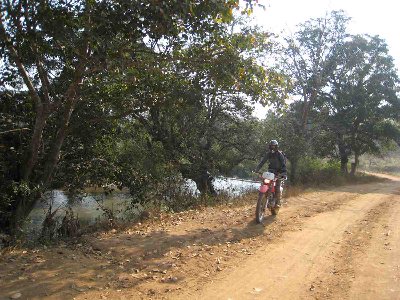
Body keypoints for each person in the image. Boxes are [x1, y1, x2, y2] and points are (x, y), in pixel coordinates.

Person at [254, 139, 287, 207]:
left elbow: (283, 164)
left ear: (276, 146)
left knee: (277, 187)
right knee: (264, 182)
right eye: (271, 146)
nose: (273, 147)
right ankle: (264, 197)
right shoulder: (268, 154)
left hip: (278, 172)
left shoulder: (279, 154)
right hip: (271, 171)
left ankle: (277, 202)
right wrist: (257, 169)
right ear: (269, 146)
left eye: (274, 146)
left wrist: (283, 173)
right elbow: (262, 162)